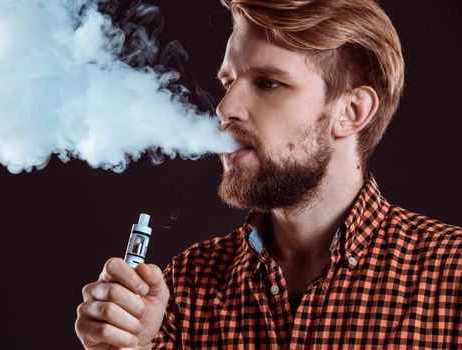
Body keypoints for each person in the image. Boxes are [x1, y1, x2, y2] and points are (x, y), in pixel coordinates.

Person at [75, 0, 462, 348]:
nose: (225, 108)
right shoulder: (186, 288)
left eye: (268, 83)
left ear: (351, 112)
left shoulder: (451, 276)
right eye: (228, 82)